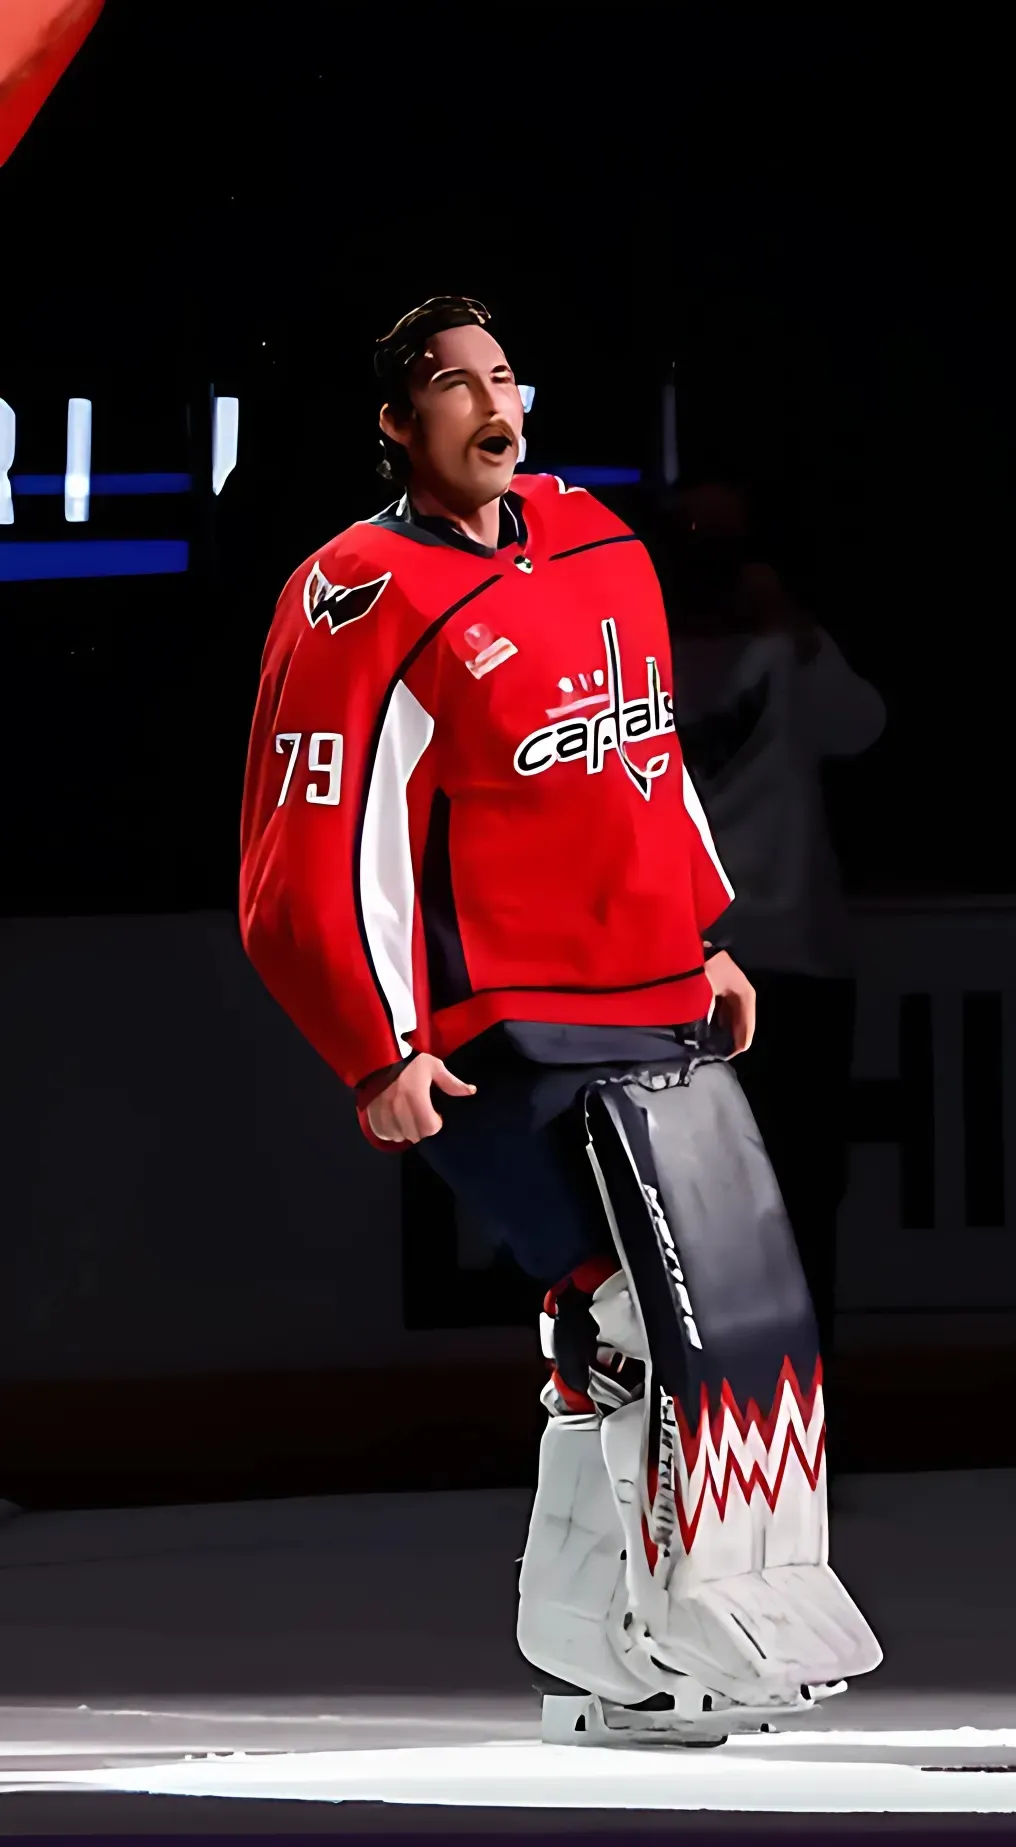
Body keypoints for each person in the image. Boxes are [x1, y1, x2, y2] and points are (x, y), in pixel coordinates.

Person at [236, 297, 878, 1742]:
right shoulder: (359, 592)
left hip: (647, 1000)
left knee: (714, 1312)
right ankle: (659, 1640)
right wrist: (372, 1043)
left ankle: (610, 1647)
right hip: (491, 1023)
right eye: (447, 385)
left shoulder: (598, 547)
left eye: (503, 372)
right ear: (397, 428)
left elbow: (641, 753)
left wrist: (702, 933)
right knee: (630, 1304)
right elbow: (311, 850)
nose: (489, 399)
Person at [659, 480, 886, 1358]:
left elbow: (862, 726)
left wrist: (792, 630)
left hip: (784, 957)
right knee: (689, 1207)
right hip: (689, 964)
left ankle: (795, 1428)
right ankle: (712, 1425)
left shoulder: (785, 653)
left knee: (793, 1199)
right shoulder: (637, 662)